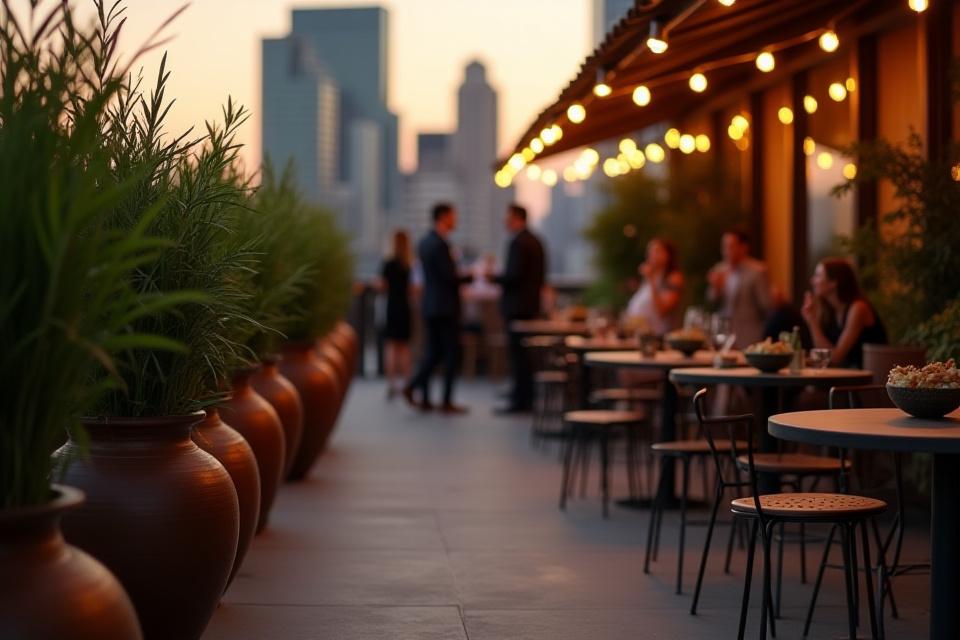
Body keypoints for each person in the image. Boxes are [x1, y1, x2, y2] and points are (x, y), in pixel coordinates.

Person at [403, 203, 471, 414]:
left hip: (430, 304)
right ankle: (442, 398)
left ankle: (423, 396)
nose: (455, 220)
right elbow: (449, 277)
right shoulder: (440, 244)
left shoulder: (425, 242)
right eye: (453, 216)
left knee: (432, 351)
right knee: (449, 353)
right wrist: (469, 277)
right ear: (443, 217)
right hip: (445, 307)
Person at [490, 204, 546, 414]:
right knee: (526, 356)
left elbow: (513, 276)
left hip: (517, 308)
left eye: (508, 217)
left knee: (519, 356)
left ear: (516, 218)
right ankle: (525, 396)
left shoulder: (518, 242)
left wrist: (492, 277)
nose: (505, 221)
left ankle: (520, 400)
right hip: (531, 306)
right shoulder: (536, 241)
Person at [801, 257, 887, 368]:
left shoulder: (858, 308)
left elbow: (835, 359)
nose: (812, 280)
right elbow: (823, 356)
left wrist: (812, 322)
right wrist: (812, 319)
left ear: (833, 282)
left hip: (869, 376)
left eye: (818, 276)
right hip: (848, 374)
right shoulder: (829, 310)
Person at [706, 228, 772, 349]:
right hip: (722, 335)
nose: (726, 251)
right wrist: (716, 288)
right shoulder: (719, 270)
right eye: (724, 246)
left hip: (748, 334)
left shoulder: (757, 271)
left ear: (744, 247)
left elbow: (766, 305)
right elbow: (711, 302)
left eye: (731, 246)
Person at [624, 237, 684, 336]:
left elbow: (663, 310)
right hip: (639, 334)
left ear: (668, 254)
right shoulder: (651, 277)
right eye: (649, 251)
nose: (651, 255)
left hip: (658, 336)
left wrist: (651, 280)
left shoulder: (673, 278)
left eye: (657, 251)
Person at [379, 230, 414, 399]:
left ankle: (391, 384)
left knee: (391, 347)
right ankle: (407, 383)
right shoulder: (408, 265)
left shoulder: (388, 264)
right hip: (405, 307)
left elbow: (382, 286)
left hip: (391, 307)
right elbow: (412, 289)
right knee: (405, 347)